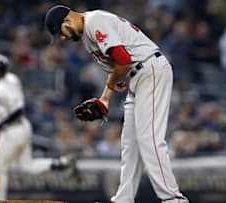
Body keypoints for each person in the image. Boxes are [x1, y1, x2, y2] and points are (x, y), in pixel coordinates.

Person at [44, 5, 189, 203]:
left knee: (149, 138)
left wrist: (108, 90)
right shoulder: (87, 38)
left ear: (67, 21)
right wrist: (104, 98)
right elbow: (118, 74)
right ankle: (123, 199)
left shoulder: (95, 21)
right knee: (130, 144)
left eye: (60, 33)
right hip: (136, 78)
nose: (61, 38)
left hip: (149, 69)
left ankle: (173, 199)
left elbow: (122, 58)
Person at [0, 53, 79, 200]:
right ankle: (62, 163)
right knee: (27, 166)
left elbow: (18, 110)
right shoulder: (12, 78)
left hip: (13, 129)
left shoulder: (0, 88)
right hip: (22, 127)